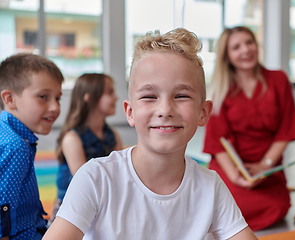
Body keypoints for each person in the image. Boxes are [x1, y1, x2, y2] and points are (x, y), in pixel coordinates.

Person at [43, 28, 258, 240]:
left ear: (203, 113)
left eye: (181, 95)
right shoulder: (95, 178)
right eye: (149, 96)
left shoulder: (211, 187)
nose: (165, 110)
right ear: (130, 112)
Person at [203, 26, 295, 231]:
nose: (246, 50)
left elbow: (286, 129)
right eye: (236, 47)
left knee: (278, 206)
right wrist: (236, 177)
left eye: (249, 42)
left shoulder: (278, 79)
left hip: (267, 166)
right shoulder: (221, 89)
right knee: (225, 204)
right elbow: (217, 141)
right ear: (227, 56)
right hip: (230, 167)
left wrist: (265, 165)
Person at [0, 53, 63, 240]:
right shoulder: (15, 146)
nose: (55, 107)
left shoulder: (7, 132)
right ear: (10, 99)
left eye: (58, 98)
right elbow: (3, 208)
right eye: (43, 96)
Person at [49, 73, 123, 223]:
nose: (116, 97)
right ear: (89, 98)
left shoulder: (112, 135)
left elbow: (122, 173)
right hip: (72, 210)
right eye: (109, 92)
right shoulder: (72, 139)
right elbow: (86, 184)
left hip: (103, 205)